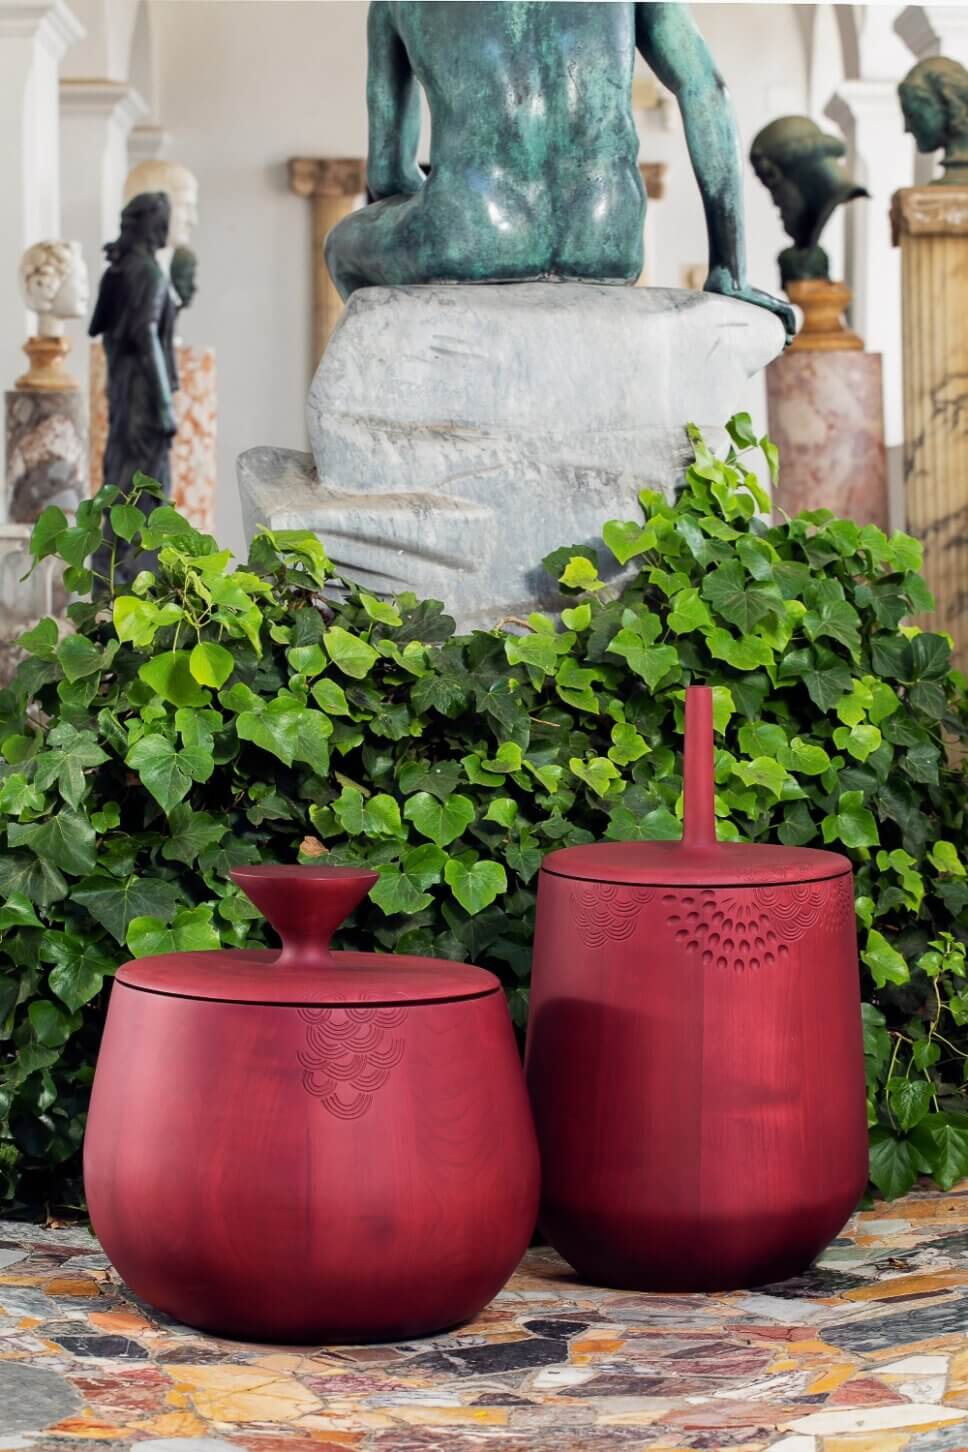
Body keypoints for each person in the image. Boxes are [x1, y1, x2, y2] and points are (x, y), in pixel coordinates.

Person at [326, 1, 794, 339]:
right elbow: (707, 91)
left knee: (340, 248)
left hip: (473, 228)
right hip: (605, 231)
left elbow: (388, 174)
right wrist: (729, 271)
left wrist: (444, 201)